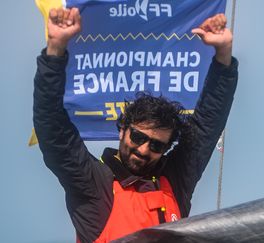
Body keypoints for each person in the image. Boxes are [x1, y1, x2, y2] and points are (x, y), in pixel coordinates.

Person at [33, 7, 238, 243]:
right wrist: (55, 49)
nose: (143, 150)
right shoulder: (93, 184)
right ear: (123, 130)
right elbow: (52, 128)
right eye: (138, 137)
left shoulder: (175, 181)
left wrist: (223, 55)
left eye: (156, 146)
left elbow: (206, 126)